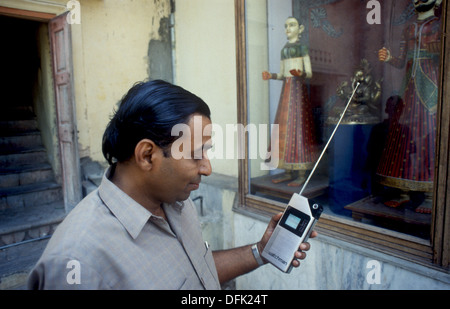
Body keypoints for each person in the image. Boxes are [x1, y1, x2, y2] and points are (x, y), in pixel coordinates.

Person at [27, 79, 317, 289]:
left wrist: (261, 250)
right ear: (147, 155)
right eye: (195, 155)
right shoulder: (77, 263)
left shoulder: (177, 201)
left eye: (207, 151)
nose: (207, 168)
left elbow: (193, 271)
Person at [376, 0, 442, 213]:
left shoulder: (439, 24)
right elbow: (402, 60)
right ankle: (404, 192)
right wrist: (389, 58)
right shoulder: (409, 28)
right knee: (405, 137)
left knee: (429, 135)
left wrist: (436, 50)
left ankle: (431, 196)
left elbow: (442, 57)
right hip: (409, 87)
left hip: (430, 84)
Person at [262, 16, 319, 187]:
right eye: (286, 25)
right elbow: (282, 74)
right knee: (284, 129)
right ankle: (287, 171)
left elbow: (309, 72)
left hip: (298, 92)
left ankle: (301, 173)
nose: (288, 28)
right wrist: (271, 76)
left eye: (292, 25)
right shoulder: (284, 49)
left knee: (298, 129)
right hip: (287, 92)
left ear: (300, 29)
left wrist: (299, 74)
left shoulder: (302, 48)